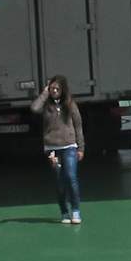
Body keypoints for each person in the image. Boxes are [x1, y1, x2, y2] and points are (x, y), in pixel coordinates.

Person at [32, 74, 85, 224]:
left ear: (63, 90)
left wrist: (81, 147)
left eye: (57, 88)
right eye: (52, 88)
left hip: (69, 146)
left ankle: (76, 211)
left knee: (71, 177)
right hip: (52, 148)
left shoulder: (70, 104)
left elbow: (78, 126)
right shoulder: (46, 105)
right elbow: (34, 108)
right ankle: (64, 211)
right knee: (59, 181)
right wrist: (44, 93)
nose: (54, 91)